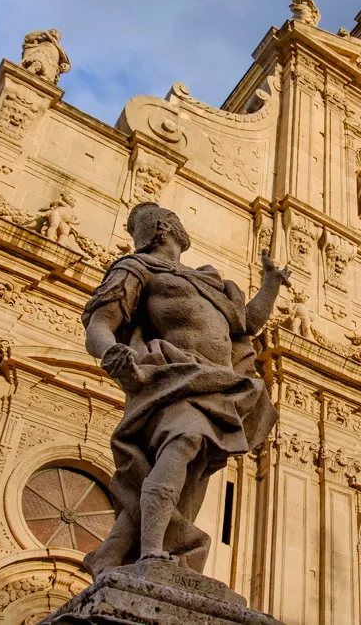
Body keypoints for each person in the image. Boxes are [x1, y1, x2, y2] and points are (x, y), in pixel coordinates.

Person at [81, 202, 290, 577]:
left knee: (190, 472)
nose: (181, 223)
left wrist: (271, 284)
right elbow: (101, 322)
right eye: (175, 218)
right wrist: (112, 351)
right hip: (172, 374)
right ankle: (152, 554)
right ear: (164, 227)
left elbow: (246, 324)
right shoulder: (137, 268)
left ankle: (112, 555)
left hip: (219, 383)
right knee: (185, 441)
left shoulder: (209, 281)